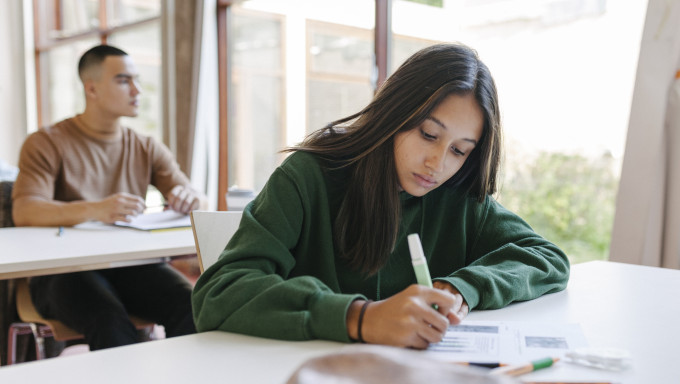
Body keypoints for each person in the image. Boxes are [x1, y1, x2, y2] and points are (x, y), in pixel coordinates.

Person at [192, 43, 570, 349]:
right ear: (394, 115)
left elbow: (547, 258)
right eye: (428, 134)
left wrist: (461, 288)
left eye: (460, 150)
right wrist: (360, 317)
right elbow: (219, 293)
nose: (438, 163)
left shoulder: (460, 197)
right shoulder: (309, 176)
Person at [12, 45, 201, 350]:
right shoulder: (45, 143)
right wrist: (96, 209)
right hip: (62, 271)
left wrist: (189, 196)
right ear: (92, 88)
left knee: (196, 305)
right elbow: (25, 210)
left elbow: (192, 194)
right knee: (108, 319)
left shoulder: (146, 146)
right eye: (124, 80)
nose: (137, 90)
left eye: (136, 80)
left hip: (131, 265)